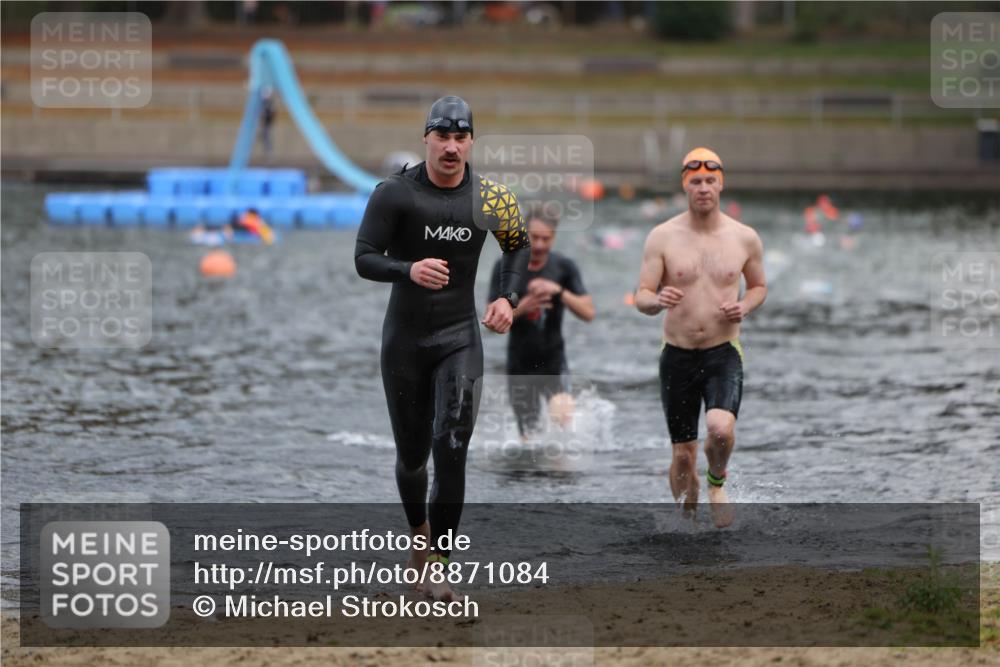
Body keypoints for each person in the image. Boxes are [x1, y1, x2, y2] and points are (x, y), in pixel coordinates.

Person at [354, 96, 530, 600]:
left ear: (471, 141)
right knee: (412, 458)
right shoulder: (395, 194)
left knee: (451, 444)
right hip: (404, 342)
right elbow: (364, 257)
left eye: (461, 138)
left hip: (459, 337)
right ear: (426, 138)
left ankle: (441, 563)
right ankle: (419, 539)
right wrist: (406, 269)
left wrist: (507, 297)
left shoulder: (491, 198)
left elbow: (517, 245)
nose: (451, 148)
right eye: (442, 137)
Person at [634, 147, 767, 528]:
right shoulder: (662, 237)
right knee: (682, 458)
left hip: (723, 352)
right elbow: (641, 296)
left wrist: (746, 306)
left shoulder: (744, 238)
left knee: (721, 429)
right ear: (685, 186)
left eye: (710, 181)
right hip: (677, 355)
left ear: (721, 184)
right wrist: (657, 300)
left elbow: (759, 287)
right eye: (696, 182)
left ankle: (716, 482)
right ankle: (686, 525)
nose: (704, 188)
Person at [488, 211, 594, 437]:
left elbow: (588, 313)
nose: (538, 244)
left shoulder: (564, 267)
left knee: (564, 423)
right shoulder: (505, 266)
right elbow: (491, 322)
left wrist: (558, 291)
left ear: (554, 238)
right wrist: (523, 306)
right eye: (534, 237)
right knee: (528, 438)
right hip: (519, 365)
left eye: (545, 239)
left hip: (554, 361)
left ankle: (560, 471)